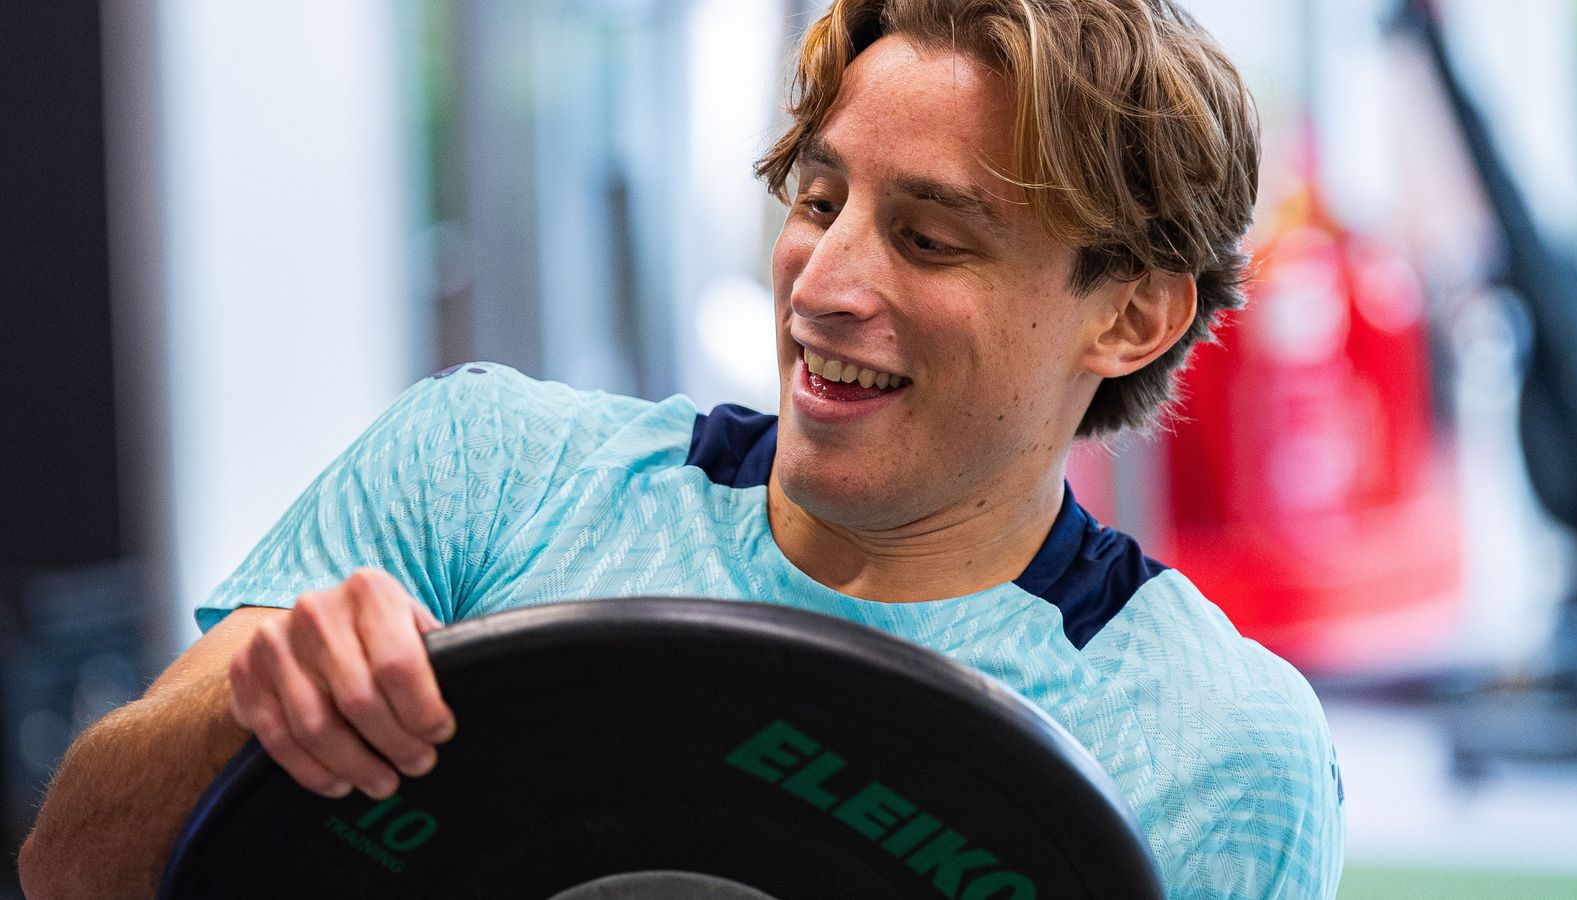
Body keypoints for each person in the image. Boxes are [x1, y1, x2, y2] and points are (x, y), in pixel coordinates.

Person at [20, 0, 1344, 896]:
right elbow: (68, 869)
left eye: (930, 240)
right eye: (817, 201)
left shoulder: (1219, 749)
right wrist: (247, 706)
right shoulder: (483, 470)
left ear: (1129, 315)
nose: (824, 282)